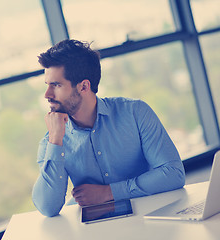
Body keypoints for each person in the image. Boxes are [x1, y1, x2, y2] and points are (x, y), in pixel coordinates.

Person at [32, 39, 185, 217]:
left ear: (84, 86)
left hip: (150, 218)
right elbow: (47, 208)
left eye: (56, 85)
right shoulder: (51, 142)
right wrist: (56, 140)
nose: (47, 95)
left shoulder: (135, 112)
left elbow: (173, 174)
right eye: (47, 85)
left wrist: (108, 192)